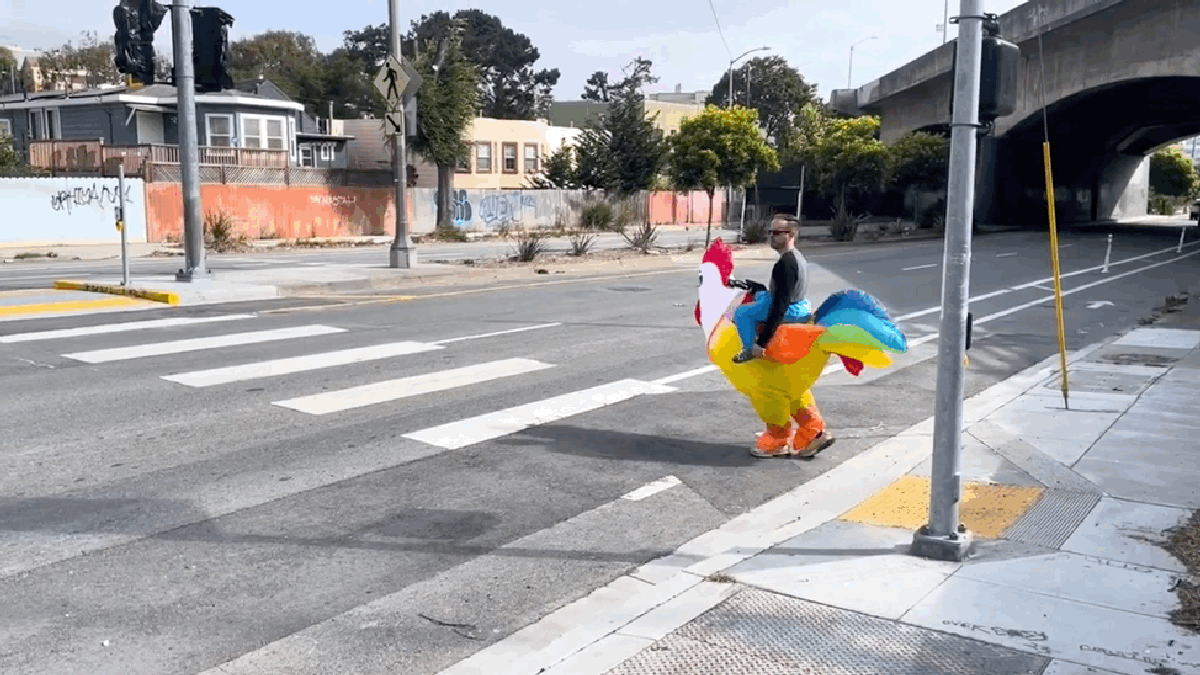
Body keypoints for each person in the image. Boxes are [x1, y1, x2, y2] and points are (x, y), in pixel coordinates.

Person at [731, 214, 812, 364]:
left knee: (742, 313)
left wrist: (762, 343)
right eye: (770, 232)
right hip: (799, 304)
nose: (771, 237)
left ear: (790, 235)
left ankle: (750, 349)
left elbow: (779, 307)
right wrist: (758, 289)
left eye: (776, 233)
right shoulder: (796, 257)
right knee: (761, 295)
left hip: (792, 310)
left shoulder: (786, 265)